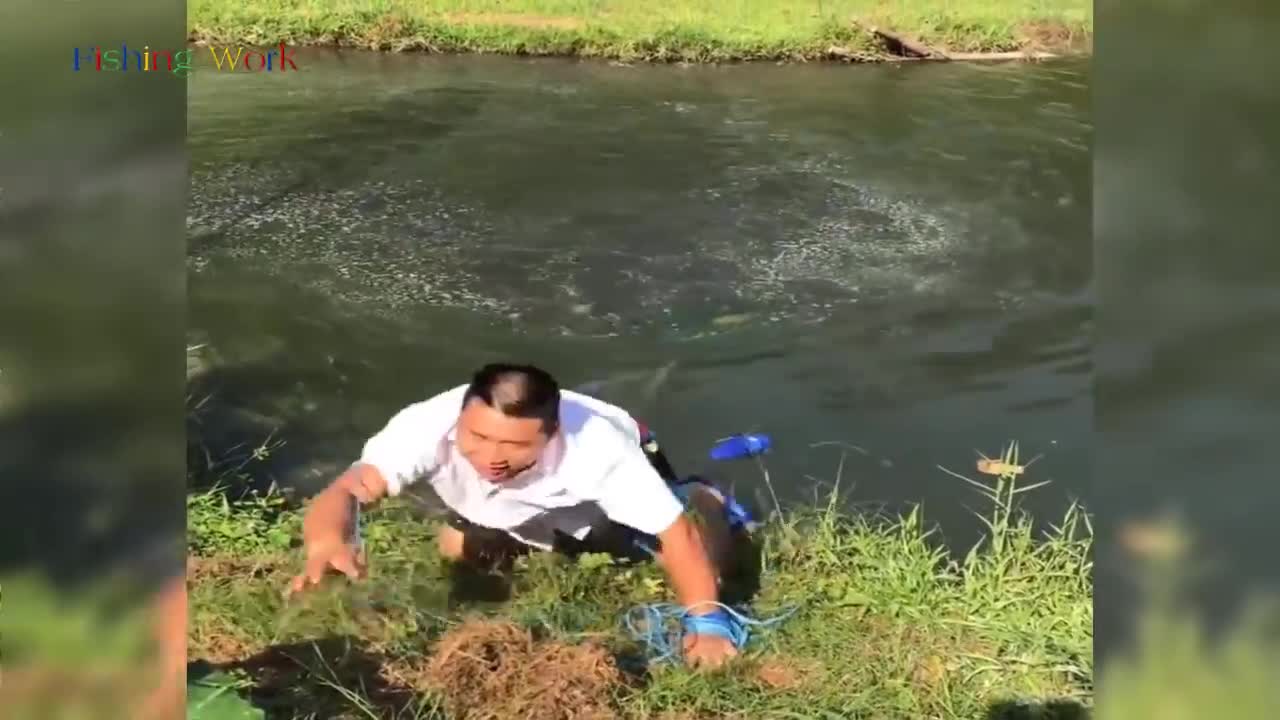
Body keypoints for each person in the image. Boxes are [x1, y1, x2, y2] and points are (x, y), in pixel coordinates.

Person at [287, 362, 744, 669]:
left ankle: (705, 496)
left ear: (552, 434)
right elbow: (347, 489)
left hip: (598, 491)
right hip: (491, 505)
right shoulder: (423, 427)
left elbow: (676, 535)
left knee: (692, 552)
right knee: (458, 555)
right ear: (462, 417)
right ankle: (524, 533)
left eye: (515, 445)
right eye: (478, 437)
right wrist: (329, 540)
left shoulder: (600, 450)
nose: (492, 457)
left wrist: (706, 623)